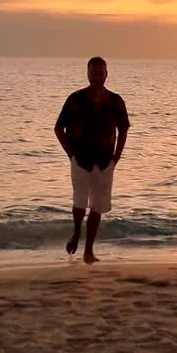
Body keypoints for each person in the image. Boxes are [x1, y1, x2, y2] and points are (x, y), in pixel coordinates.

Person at [55, 57, 130, 263]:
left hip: (105, 161)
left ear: (107, 74)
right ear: (87, 74)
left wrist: (116, 158)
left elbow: (123, 130)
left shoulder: (115, 101)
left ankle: (89, 250)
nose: (97, 76)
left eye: (101, 72)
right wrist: (70, 154)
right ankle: (76, 232)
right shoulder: (75, 99)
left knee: (98, 206)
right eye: (93, 72)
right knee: (79, 202)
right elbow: (58, 128)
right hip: (80, 159)